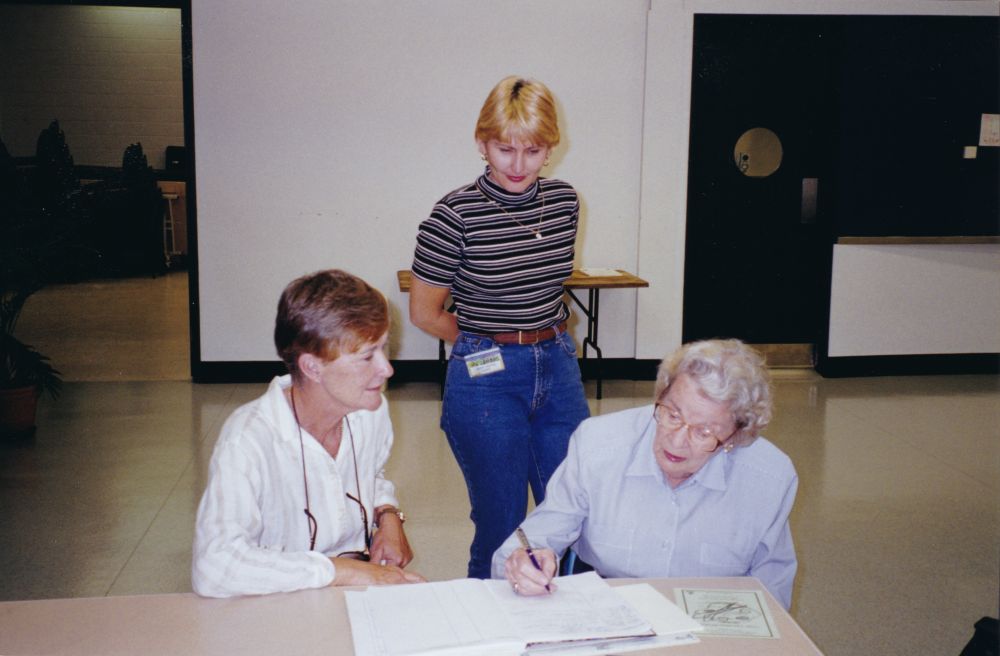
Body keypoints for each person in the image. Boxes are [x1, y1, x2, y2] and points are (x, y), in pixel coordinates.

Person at [409, 76, 591, 578]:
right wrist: (482, 341)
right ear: (481, 143)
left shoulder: (565, 203)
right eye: (504, 149)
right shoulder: (454, 215)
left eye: (532, 151)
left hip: (557, 366)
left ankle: (569, 617)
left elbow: (546, 285)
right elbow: (424, 313)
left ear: (550, 148)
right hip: (486, 377)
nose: (517, 165)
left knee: (572, 515)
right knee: (501, 525)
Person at [494, 339, 798, 609]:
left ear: (735, 437)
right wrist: (524, 563)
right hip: (608, 606)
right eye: (672, 414)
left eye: (704, 432)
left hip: (714, 614)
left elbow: (772, 595)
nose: (676, 441)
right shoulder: (598, 444)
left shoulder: (769, 479)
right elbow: (535, 537)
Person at [192, 269, 424, 597]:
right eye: (367, 356)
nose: (387, 368)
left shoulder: (371, 412)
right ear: (312, 367)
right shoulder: (248, 440)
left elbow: (372, 472)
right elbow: (214, 567)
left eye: (384, 348)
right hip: (277, 600)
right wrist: (342, 571)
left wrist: (387, 514)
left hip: (353, 588)